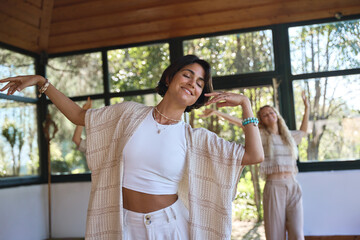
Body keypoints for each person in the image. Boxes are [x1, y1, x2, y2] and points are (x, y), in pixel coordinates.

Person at [0, 55, 264, 240]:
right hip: (123, 224)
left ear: (200, 95)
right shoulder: (129, 114)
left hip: (169, 228)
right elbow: (80, 117)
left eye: (199, 83)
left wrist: (246, 105)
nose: (192, 84)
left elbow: (254, 155)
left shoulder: (195, 138)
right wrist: (41, 82)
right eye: (187, 75)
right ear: (171, 77)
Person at [201, 93, 309, 240]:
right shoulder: (261, 135)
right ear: (262, 121)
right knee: (275, 234)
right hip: (274, 187)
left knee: (297, 233)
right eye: (264, 115)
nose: (269, 115)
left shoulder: (289, 137)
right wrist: (216, 112)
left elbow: (303, 132)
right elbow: (241, 122)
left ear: (276, 115)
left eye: (271, 112)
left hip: (293, 186)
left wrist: (307, 107)